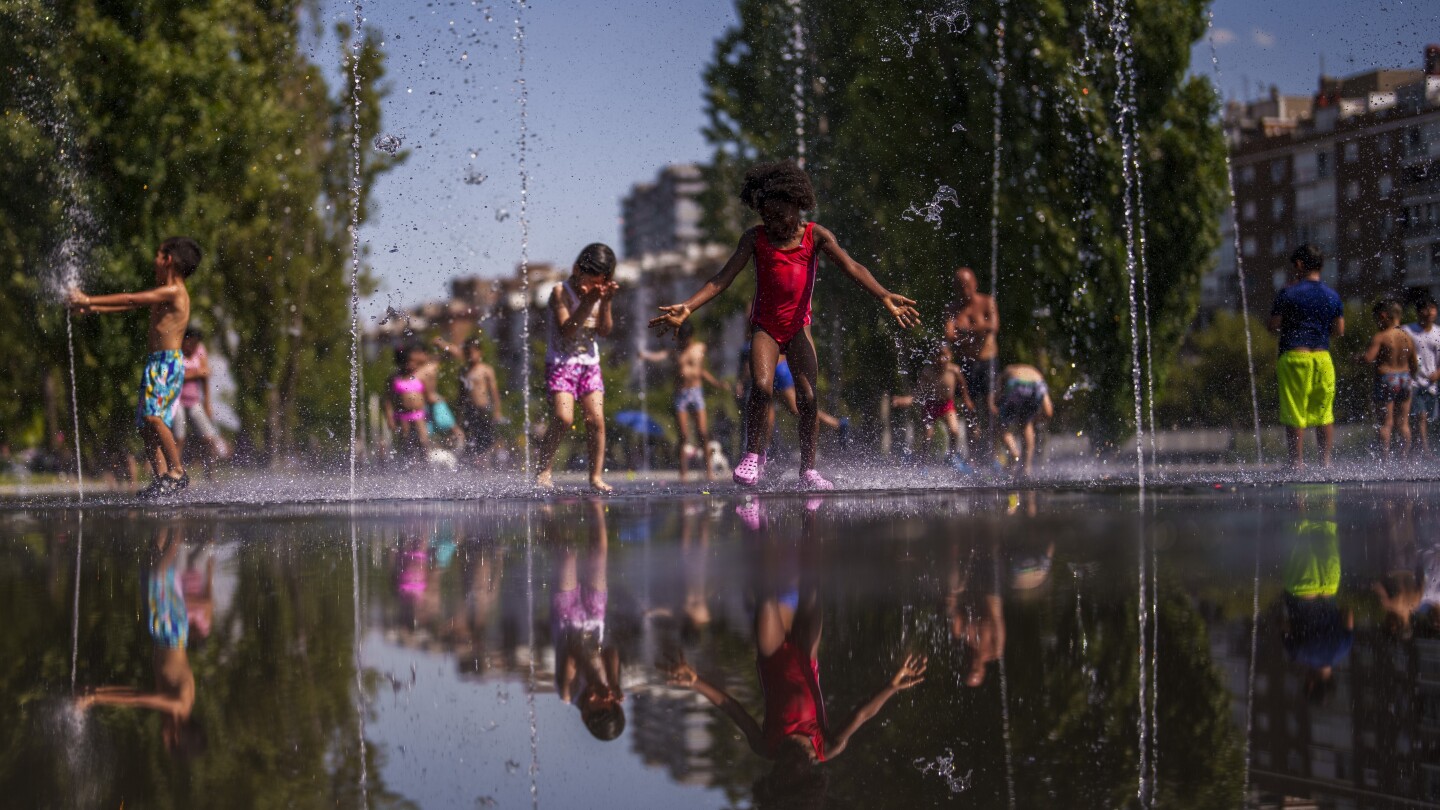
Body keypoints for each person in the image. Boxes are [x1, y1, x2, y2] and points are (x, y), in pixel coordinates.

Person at [651, 161, 920, 489]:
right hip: (764, 328)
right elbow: (723, 278)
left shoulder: (815, 236)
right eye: (767, 217)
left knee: (807, 397)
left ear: (797, 205)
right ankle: (753, 455)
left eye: (780, 216)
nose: (774, 223)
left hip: (798, 329)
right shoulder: (755, 239)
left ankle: (808, 470)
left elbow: (852, 266)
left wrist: (884, 295)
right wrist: (688, 307)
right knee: (761, 388)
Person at [658, 503, 927, 801]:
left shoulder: (766, 746)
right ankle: (810, 510)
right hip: (807, 653)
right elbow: (863, 713)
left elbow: (730, 707)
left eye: (779, 774)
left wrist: (696, 681)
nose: (785, 767)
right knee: (812, 584)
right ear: (808, 778)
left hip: (772, 654)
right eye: (792, 775)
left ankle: (756, 513)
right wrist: (891, 686)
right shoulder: (827, 746)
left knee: (765, 592)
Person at [69, 237, 200, 498]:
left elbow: (131, 299)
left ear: (168, 260)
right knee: (144, 424)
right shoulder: (165, 291)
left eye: (158, 255)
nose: (154, 261)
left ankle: (177, 471)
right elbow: (126, 304)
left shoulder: (175, 292)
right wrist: (90, 306)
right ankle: (162, 477)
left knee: (154, 417)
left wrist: (88, 298)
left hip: (167, 364)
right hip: (155, 364)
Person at [76, 524, 205, 756]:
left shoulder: (175, 708)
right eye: (166, 739)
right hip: (171, 632)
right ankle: (178, 526)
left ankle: (163, 512)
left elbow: (134, 692)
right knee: (158, 573)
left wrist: (95, 690)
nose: (162, 735)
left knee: (150, 560)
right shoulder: (179, 705)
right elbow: (138, 698)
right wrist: (94, 698)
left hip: (162, 633)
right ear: (177, 735)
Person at [535, 243, 619, 492]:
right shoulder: (560, 292)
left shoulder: (599, 294)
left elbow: (604, 330)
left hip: (589, 365)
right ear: (576, 270)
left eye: (598, 283)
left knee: (596, 420)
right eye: (588, 281)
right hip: (561, 364)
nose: (591, 288)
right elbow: (567, 330)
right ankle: (544, 470)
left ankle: (595, 476)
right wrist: (587, 302)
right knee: (563, 417)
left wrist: (604, 303)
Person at [549, 500, 625, 741]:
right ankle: (595, 504)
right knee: (598, 556)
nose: (595, 697)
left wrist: (593, 679)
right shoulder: (609, 686)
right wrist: (612, 680)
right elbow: (611, 650)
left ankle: (545, 513)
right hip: (594, 617)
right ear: (613, 703)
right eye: (604, 702)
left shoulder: (567, 691)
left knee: (568, 557)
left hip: (566, 617)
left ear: (584, 716)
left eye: (592, 705)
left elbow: (572, 652)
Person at [1268, 244, 1344, 469]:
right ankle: (1325, 463)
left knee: (1294, 410)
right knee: (1324, 413)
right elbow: (1339, 331)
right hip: (1322, 358)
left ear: (1300, 265)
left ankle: (1296, 463)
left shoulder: (1288, 292)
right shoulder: (1332, 295)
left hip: (1295, 357)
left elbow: (1273, 326)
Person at [944, 267, 1000, 468]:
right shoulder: (952, 309)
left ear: (975, 284)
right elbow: (949, 335)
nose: (964, 290)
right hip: (967, 364)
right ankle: (974, 458)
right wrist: (977, 331)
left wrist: (967, 330)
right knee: (970, 411)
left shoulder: (986, 302)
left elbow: (993, 326)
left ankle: (993, 454)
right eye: (959, 287)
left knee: (991, 408)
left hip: (988, 362)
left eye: (967, 285)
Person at [889, 342, 973, 465]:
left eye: (944, 355)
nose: (941, 359)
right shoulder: (928, 372)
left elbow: (962, 385)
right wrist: (906, 400)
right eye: (938, 355)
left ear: (950, 355)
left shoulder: (954, 370)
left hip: (947, 405)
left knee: (955, 431)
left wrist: (966, 399)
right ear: (933, 357)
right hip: (931, 405)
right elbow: (918, 393)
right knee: (928, 434)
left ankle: (952, 456)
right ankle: (923, 461)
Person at [1358, 300, 1417, 461]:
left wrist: (1357, 358)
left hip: (1386, 378)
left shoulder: (1381, 336)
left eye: (1376, 319)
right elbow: (1414, 364)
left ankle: (1384, 461)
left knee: (1386, 423)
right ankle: (1403, 461)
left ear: (1383, 316)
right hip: (1405, 379)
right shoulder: (1407, 337)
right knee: (1403, 424)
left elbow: (1369, 358)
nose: (1376, 323)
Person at [666, 321, 722, 482]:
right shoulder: (676, 351)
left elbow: (701, 370)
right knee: (683, 435)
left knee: (702, 433)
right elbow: (663, 358)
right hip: (681, 393)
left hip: (696, 392)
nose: (684, 341)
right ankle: (683, 472)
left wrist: (715, 383)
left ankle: (709, 470)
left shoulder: (700, 348)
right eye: (681, 338)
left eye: (686, 338)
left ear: (691, 336)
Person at [435, 337, 505, 466]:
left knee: (486, 440)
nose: (470, 355)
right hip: (469, 411)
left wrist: (497, 411)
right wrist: (458, 416)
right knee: (470, 441)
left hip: (483, 410)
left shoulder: (485, 370)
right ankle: (474, 467)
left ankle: (486, 464)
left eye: (473, 352)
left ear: (480, 353)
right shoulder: (464, 371)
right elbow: (461, 396)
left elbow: (494, 392)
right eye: (468, 353)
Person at [173, 328, 229, 471]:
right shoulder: (175, 352)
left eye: (196, 344)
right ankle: (175, 470)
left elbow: (206, 373)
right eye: (191, 343)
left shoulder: (200, 349)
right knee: (179, 437)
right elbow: (175, 376)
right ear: (184, 340)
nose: (193, 347)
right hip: (176, 401)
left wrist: (207, 403)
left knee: (209, 438)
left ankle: (209, 470)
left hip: (194, 401)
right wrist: (195, 373)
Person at [995, 364, 1054, 478]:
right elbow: (1048, 411)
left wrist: (996, 406)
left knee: (1002, 425)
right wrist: (1038, 418)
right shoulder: (1035, 373)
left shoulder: (1010, 370)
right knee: (1027, 423)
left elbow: (999, 395)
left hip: (1015, 384)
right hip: (1037, 385)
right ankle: (1026, 468)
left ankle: (1014, 451)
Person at [1404, 295, 1440, 456]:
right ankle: (1425, 451)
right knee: (1420, 417)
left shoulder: (1438, 333)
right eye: (1425, 309)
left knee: (1427, 419)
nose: (1429, 312)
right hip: (1412, 382)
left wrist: (1437, 374)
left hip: (1431, 384)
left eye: (1432, 308)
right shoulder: (1408, 331)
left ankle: (1416, 450)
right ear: (1418, 313)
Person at [384, 344, 431, 461]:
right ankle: (408, 467)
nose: (411, 364)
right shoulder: (394, 378)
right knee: (406, 442)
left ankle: (425, 465)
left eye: (413, 362)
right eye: (408, 362)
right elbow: (388, 400)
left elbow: (428, 396)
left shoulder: (420, 376)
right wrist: (389, 418)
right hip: (403, 415)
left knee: (423, 441)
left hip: (419, 414)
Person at [416, 345, 464, 453]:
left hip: (432, 402)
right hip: (432, 402)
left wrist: (441, 343)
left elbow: (456, 354)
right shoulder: (428, 367)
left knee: (450, 430)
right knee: (452, 430)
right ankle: (458, 452)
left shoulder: (429, 367)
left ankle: (457, 452)